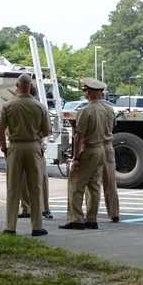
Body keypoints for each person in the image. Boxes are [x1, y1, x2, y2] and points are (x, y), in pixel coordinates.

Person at [0, 73, 51, 237]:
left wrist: (4, 147)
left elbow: (0, 130)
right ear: (31, 86)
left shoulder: (8, 105)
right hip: (34, 147)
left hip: (15, 147)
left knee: (13, 188)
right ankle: (37, 227)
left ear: (17, 85)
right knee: (35, 187)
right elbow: (46, 131)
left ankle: (10, 226)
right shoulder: (40, 106)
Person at [59, 77, 108, 230]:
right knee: (94, 187)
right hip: (101, 150)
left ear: (88, 93)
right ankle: (91, 219)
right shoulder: (104, 109)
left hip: (89, 150)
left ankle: (76, 219)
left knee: (75, 185)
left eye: (85, 90)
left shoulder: (85, 111)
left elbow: (79, 136)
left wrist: (76, 158)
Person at [19, 85, 53, 221]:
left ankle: (26, 208)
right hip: (36, 145)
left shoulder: (12, 105)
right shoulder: (40, 107)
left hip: (19, 144)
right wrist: (36, 135)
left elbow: (5, 130)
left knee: (22, 180)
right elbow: (47, 130)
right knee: (42, 178)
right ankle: (44, 208)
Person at [96, 95, 119, 222]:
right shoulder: (110, 109)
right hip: (108, 146)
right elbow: (113, 124)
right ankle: (114, 212)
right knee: (110, 180)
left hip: (95, 145)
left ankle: (90, 214)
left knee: (92, 182)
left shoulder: (87, 109)